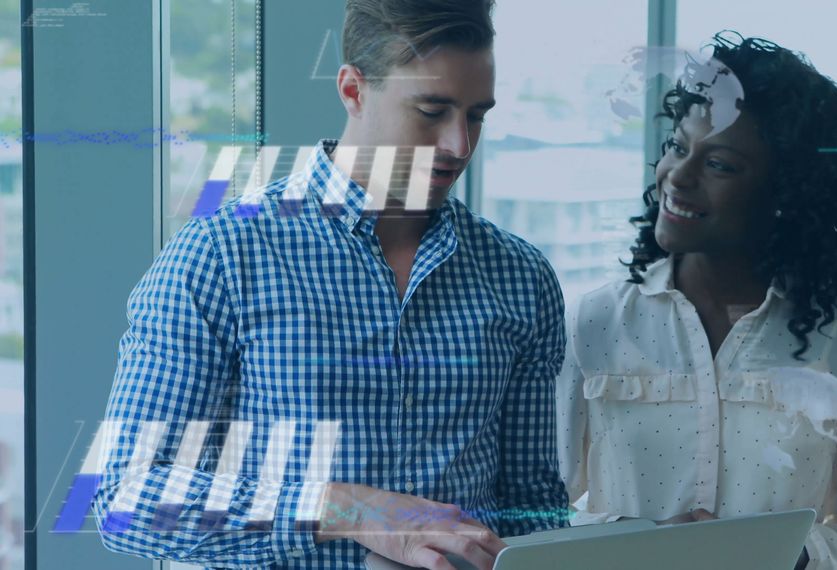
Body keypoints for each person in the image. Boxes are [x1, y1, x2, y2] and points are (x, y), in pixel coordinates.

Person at [92, 1, 569, 568]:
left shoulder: (521, 276)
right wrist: (350, 510)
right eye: (431, 111)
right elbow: (126, 498)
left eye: (477, 115)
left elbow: (535, 512)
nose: (458, 145)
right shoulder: (220, 257)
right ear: (353, 90)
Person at [557, 32, 837, 569]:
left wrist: (785, 558)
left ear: (787, 193)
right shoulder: (595, 322)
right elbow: (535, 512)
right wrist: (637, 544)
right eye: (678, 146)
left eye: (718, 164)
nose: (678, 175)